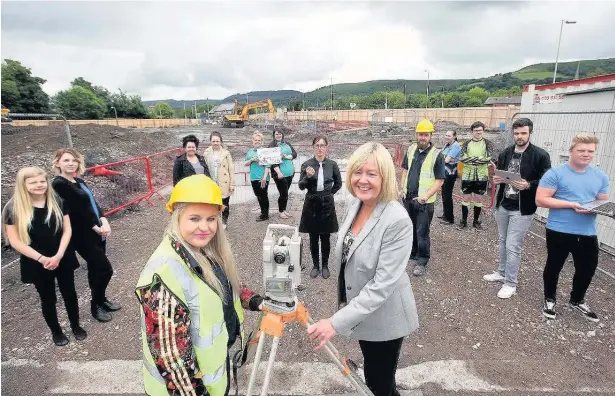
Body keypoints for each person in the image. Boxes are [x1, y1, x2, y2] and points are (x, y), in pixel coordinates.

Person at [307, 142, 419, 396]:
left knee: (379, 384)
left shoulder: (397, 220)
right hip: (363, 313)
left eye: (372, 174)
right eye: (358, 172)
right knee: (376, 376)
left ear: (385, 177)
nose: (363, 180)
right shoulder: (355, 203)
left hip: (385, 319)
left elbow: (381, 287)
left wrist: (334, 323)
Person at [136, 174, 263, 396]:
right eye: (194, 218)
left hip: (213, 373)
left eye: (211, 219)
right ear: (176, 217)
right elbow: (172, 361)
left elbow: (223, 287)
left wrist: (254, 301)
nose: (204, 227)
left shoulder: (204, 249)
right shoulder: (163, 275)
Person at [2, 167, 87, 346]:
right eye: (33, 182)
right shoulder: (13, 208)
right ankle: (56, 331)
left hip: (61, 255)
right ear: (23, 185)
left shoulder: (57, 201)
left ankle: (76, 325)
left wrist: (59, 255)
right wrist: (42, 259)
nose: (39, 185)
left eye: (42, 181)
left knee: (69, 293)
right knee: (47, 298)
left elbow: (67, 230)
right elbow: (15, 241)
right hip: (35, 260)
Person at [536, 133, 609, 322]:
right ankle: (550, 299)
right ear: (571, 151)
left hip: (587, 231)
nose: (586, 154)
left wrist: (603, 209)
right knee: (554, 266)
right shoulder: (555, 174)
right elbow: (541, 199)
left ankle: (577, 299)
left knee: (588, 268)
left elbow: (602, 201)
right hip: (559, 229)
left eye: (590, 151)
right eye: (581, 150)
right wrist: (572, 204)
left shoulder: (600, 176)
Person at [484, 118, 551, 299]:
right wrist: (495, 180)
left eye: (523, 133)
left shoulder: (540, 155)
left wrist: (528, 185)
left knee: (513, 245)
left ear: (530, 133)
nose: (519, 136)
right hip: (504, 204)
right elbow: (499, 175)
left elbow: (548, 182)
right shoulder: (506, 153)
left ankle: (511, 283)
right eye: (516, 133)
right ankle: (502, 272)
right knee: (503, 240)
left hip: (523, 208)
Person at [52, 148, 121, 323]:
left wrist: (103, 219)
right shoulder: (59, 184)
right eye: (66, 160)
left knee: (95, 269)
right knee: (105, 269)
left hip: (97, 231)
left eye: (74, 160)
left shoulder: (79, 181)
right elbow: (75, 210)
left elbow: (93, 204)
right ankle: (95, 305)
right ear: (58, 163)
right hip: (81, 235)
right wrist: (95, 226)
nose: (71, 163)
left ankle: (101, 299)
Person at [400, 119, 445, 276]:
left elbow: (440, 180)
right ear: (416, 135)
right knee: (410, 228)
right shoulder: (411, 149)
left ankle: (422, 260)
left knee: (422, 231)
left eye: (426, 135)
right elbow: (405, 170)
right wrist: (402, 188)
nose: (422, 137)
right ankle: (413, 253)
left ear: (431, 135)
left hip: (424, 202)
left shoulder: (436, 155)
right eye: (420, 134)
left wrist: (425, 197)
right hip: (409, 198)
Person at [298, 135, 342, 279]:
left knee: (325, 237)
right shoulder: (306, 164)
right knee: (313, 237)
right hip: (311, 202)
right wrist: (308, 177)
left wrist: (328, 194)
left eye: (322, 145)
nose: (320, 148)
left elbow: (338, 183)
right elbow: (301, 186)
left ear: (327, 147)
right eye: (317, 145)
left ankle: (325, 266)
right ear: (313, 147)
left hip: (327, 204)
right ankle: (315, 265)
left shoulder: (332, 164)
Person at [458, 121, 495, 230]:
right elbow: (462, 158)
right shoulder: (466, 143)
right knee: (466, 198)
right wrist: (479, 159)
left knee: (479, 199)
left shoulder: (488, 143)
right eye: (476, 130)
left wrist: (472, 160)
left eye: (480, 130)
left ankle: (476, 221)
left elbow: (488, 159)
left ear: (483, 131)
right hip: (467, 175)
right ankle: (463, 221)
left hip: (482, 175)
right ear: (472, 131)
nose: (478, 132)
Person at [204, 131, 235, 226]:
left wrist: (232, 184)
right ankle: (214, 221)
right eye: (213, 141)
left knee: (224, 204)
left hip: (224, 183)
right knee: (213, 204)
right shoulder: (206, 153)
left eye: (217, 141)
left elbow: (231, 169)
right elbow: (204, 168)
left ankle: (224, 222)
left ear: (221, 141)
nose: (215, 143)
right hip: (212, 183)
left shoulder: (226, 153)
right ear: (210, 142)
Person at [268, 128, 297, 219]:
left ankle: (284, 210)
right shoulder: (272, 146)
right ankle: (281, 211)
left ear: (282, 135)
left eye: (280, 134)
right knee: (283, 193)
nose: (278, 135)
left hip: (290, 173)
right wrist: (279, 172)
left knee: (285, 193)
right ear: (273, 135)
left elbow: (295, 153)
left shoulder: (287, 143)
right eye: (276, 134)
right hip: (280, 174)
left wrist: (289, 156)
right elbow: (272, 161)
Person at [244, 131, 271, 221]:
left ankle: (265, 214)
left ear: (262, 142)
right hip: (253, 177)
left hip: (263, 178)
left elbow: (267, 166)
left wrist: (264, 178)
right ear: (253, 141)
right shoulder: (250, 151)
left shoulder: (264, 151)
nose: (257, 141)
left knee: (263, 196)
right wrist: (252, 160)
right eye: (255, 140)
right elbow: (246, 163)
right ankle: (263, 212)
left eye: (259, 140)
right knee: (258, 196)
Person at [438, 130, 461, 225]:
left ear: (454, 136)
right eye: (446, 135)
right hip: (444, 173)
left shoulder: (455, 146)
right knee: (444, 194)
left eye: (449, 135)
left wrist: (447, 158)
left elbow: (446, 160)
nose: (447, 137)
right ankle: (445, 214)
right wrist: (446, 157)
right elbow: (441, 157)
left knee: (447, 195)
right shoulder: (447, 145)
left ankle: (450, 218)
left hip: (450, 173)